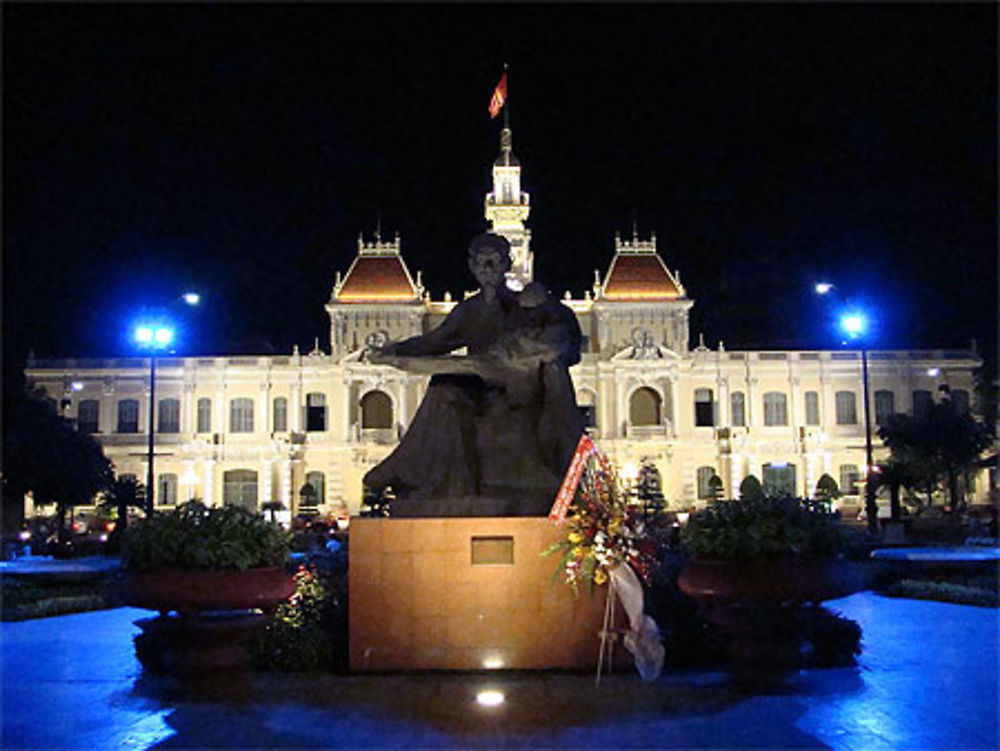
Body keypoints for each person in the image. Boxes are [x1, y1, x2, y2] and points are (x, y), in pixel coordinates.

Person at [364, 233, 584, 516]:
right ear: (472, 266)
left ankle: (401, 470)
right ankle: (439, 481)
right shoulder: (469, 310)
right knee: (444, 387)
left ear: (507, 263)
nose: (487, 269)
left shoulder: (528, 305)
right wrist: (395, 350)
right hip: (482, 385)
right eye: (481, 263)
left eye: (493, 261)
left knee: (459, 377)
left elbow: (563, 338)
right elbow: (434, 342)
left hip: (522, 389)